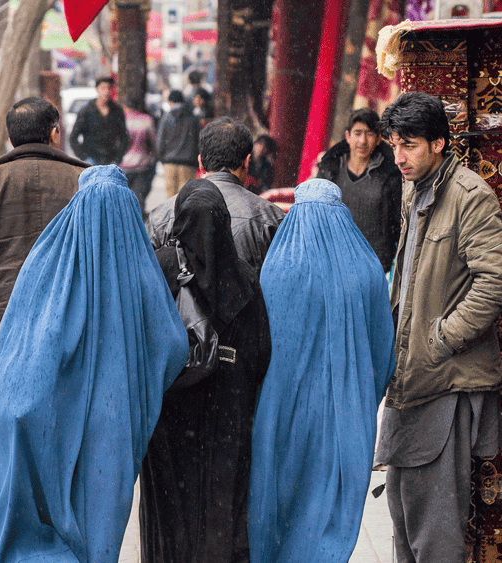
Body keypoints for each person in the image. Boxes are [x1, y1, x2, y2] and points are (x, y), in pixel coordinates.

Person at [0, 165, 189, 563]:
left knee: (56, 516)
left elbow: (20, 348)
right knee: (102, 525)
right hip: (117, 421)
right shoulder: (139, 265)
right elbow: (172, 344)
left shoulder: (49, 259)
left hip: (55, 418)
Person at [375, 91, 502, 563]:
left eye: (409, 144)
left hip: (445, 379)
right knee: (404, 513)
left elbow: (494, 280)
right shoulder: (415, 189)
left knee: (435, 529)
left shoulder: (469, 195)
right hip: (413, 374)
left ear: (439, 143)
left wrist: (442, 336)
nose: (398, 156)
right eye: (394, 144)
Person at [248, 179, 396, 563]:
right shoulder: (366, 269)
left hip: (281, 413)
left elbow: (257, 348)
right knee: (330, 510)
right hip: (344, 415)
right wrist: (360, 397)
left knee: (280, 503)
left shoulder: (276, 268)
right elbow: (383, 353)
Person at [139, 178, 272, 563]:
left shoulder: (161, 267)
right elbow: (259, 351)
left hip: (170, 410)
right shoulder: (245, 277)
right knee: (221, 502)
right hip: (227, 414)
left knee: (169, 506)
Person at [0, 96, 89, 369]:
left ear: (11, 138)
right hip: (73, 320)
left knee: (7, 409)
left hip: (3, 323)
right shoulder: (84, 180)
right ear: (54, 133)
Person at [148, 116, 285, 275]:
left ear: (200, 163)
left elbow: (144, 275)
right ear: (246, 162)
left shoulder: (161, 215)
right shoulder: (272, 218)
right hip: (249, 299)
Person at [316, 107, 402, 272]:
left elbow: (396, 225)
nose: (363, 141)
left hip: (372, 267)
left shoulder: (390, 176)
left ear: (378, 139)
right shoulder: (330, 170)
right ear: (348, 136)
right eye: (357, 133)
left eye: (369, 134)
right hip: (331, 263)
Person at [68, 76, 129, 165]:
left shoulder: (117, 111)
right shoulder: (86, 111)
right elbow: (73, 137)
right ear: (97, 89)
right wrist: (84, 156)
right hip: (91, 157)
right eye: (103, 88)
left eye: (109, 88)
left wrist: (118, 157)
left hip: (111, 158)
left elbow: (124, 136)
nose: (106, 91)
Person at [155, 90, 200, 199]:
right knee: (185, 197)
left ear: (171, 102)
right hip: (188, 163)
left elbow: (160, 140)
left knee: (170, 197)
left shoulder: (166, 118)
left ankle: (172, 216)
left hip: (170, 162)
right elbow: (197, 140)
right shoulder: (193, 118)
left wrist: (161, 157)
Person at [121, 100, 157, 217]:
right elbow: (153, 141)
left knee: (122, 200)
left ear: (125, 106)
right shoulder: (146, 120)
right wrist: (152, 158)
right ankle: (137, 227)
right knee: (138, 199)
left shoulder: (120, 119)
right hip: (142, 164)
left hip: (123, 165)